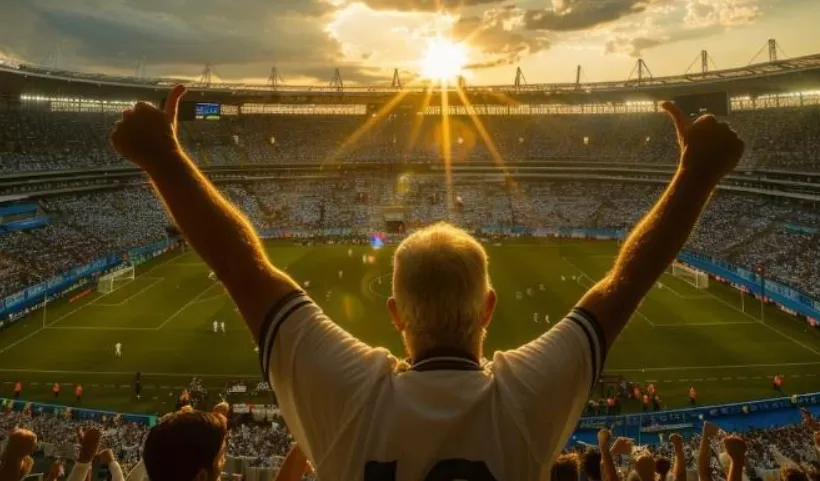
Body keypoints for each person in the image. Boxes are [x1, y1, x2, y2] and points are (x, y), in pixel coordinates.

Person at [111, 87, 744, 480]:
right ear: (489, 308)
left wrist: (164, 157)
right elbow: (620, 287)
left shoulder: (354, 402)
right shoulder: (523, 401)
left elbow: (247, 270)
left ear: (395, 314)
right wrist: (696, 174)